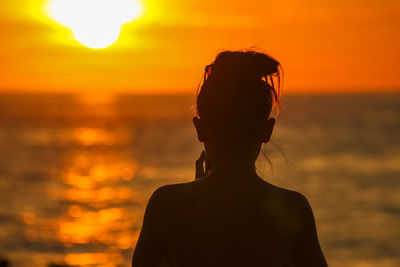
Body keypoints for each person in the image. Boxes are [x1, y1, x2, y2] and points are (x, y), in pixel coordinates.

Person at [132, 50, 327, 266]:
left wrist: (199, 187)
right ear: (267, 130)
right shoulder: (292, 208)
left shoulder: (167, 205)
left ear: (200, 128)